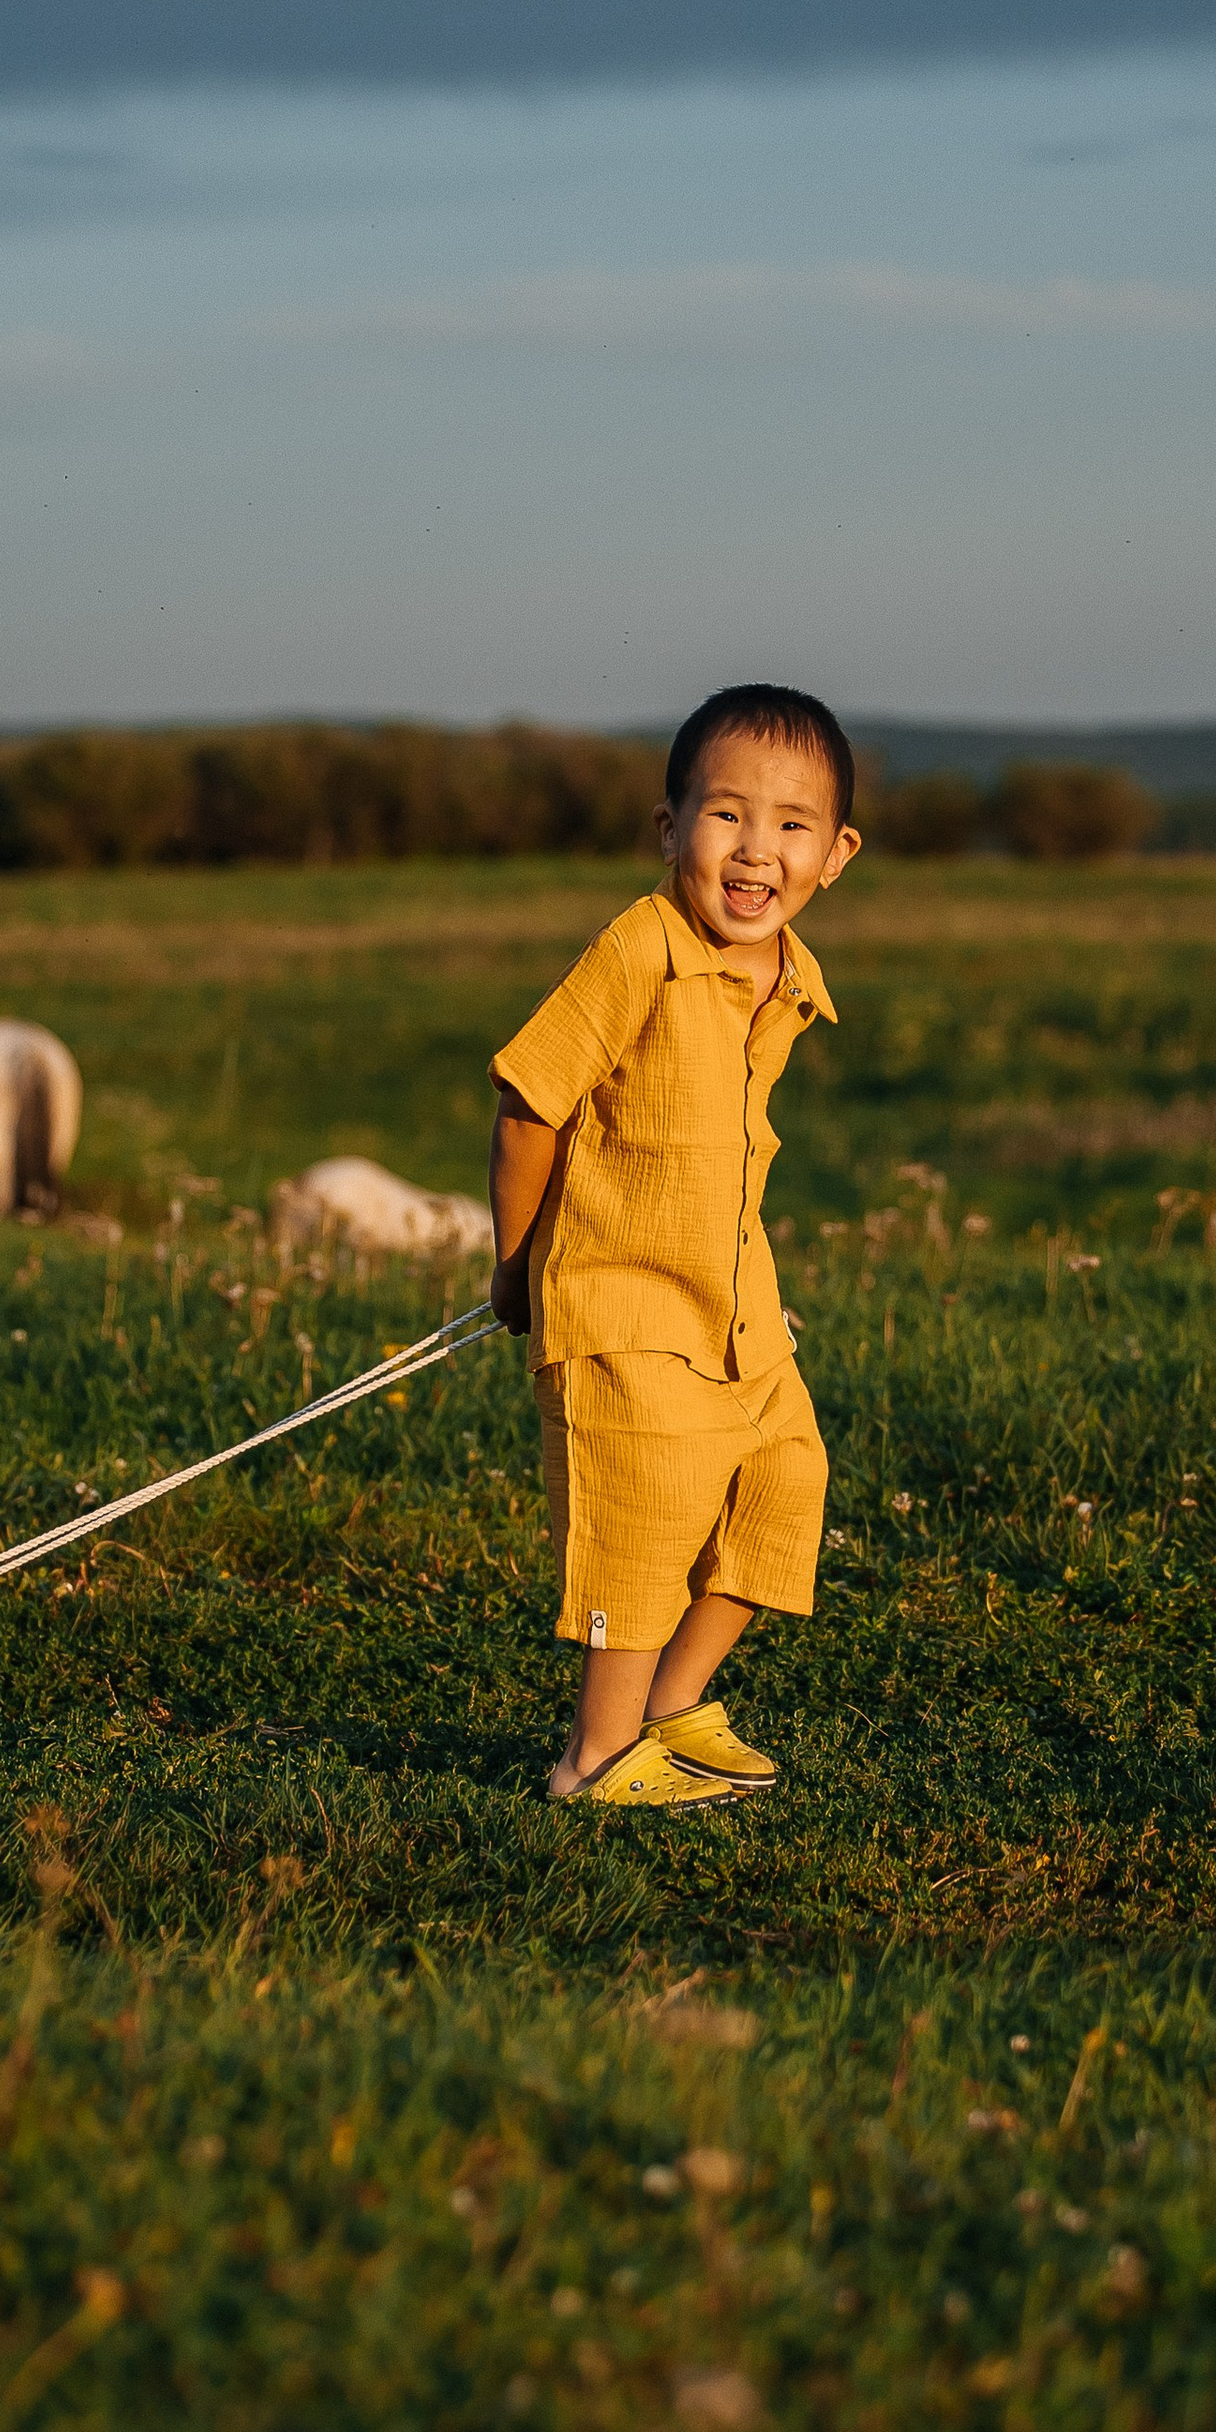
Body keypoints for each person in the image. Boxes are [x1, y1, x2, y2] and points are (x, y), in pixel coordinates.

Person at [488, 683, 860, 1805]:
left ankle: (671, 1705)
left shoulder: (787, 974)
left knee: (785, 1488)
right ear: (668, 828)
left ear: (835, 855)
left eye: (791, 826)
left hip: (733, 1312)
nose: (756, 852)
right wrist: (516, 1268)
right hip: (621, 1304)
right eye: (725, 816)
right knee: (642, 1527)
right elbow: (530, 1100)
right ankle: (594, 1758)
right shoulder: (638, 948)